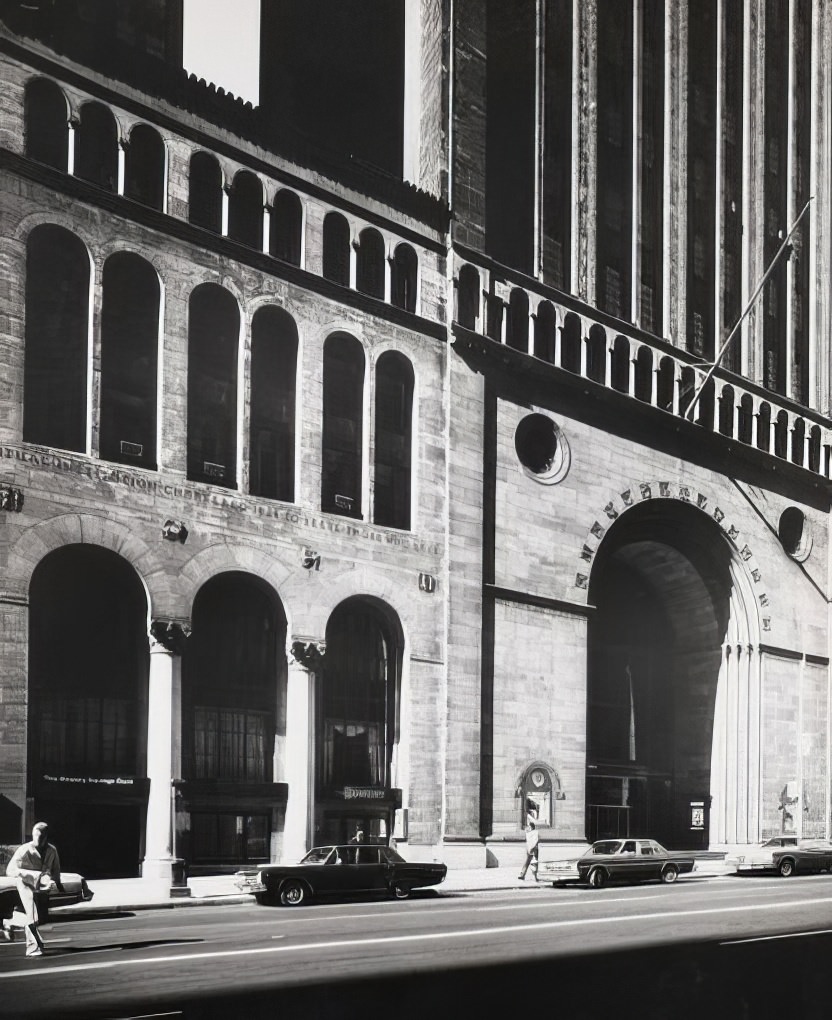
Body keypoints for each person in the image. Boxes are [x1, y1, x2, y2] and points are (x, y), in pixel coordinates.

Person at [4, 822, 63, 957]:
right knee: (32, 915)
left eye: (40, 836)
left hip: (42, 887)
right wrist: (32, 876)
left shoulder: (52, 850)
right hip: (25, 884)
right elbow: (10, 870)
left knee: (40, 918)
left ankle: (10, 921)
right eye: (35, 835)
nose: (37, 838)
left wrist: (57, 884)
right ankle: (32, 948)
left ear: (46, 837)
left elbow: (56, 869)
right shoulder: (24, 850)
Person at [518, 805, 540, 881]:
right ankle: (527, 875)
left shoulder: (534, 832)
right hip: (531, 844)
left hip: (532, 845)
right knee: (531, 861)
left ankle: (527, 875)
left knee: (531, 861)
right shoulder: (529, 832)